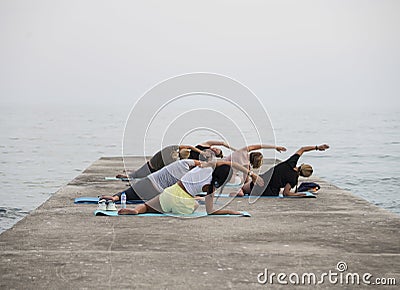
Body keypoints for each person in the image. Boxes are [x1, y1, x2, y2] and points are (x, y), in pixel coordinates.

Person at [118, 164, 250, 216]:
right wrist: (231, 211)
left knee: (146, 206)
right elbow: (211, 211)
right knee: (196, 204)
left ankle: (135, 210)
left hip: (171, 192)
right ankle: (181, 206)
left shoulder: (204, 167)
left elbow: (220, 163)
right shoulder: (211, 187)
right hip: (183, 204)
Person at [240, 144, 330, 197]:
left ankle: (243, 185)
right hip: (269, 192)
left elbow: (303, 149)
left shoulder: (291, 162)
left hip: (260, 182)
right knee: (275, 188)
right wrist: (299, 195)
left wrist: (317, 147)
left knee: (243, 189)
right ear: (304, 175)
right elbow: (286, 193)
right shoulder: (293, 180)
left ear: (302, 165)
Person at [117, 144, 202, 179]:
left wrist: (201, 152)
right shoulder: (172, 161)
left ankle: (132, 172)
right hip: (151, 168)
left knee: (137, 173)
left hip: (154, 165)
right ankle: (126, 175)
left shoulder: (173, 148)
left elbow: (190, 147)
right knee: (134, 176)